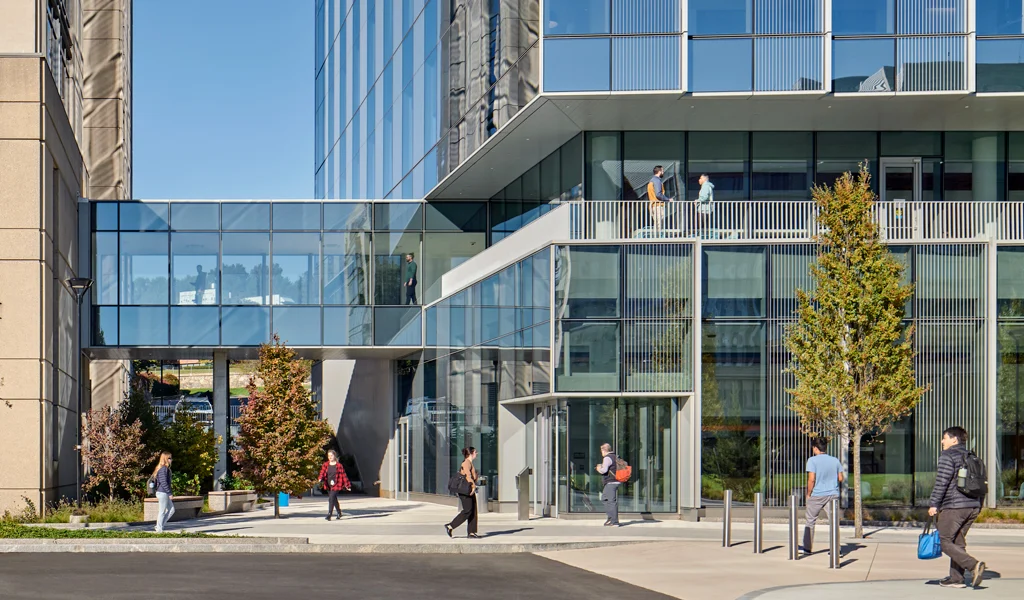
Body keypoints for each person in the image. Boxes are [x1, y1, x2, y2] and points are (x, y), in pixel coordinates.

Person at [928, 426, 986, 588]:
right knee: (957, 542)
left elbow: (942, 482)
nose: (942, 441)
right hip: (972, 506)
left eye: (944, 437)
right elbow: (982, 482)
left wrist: (934, 503)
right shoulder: (972, 457)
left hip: (955, 506)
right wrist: (978, 505)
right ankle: (956, 579)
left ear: (954, 440)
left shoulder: (948, 456)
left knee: (944, 540)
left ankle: (973, 565)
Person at [801, 437, 844, 554]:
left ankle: (807, 548)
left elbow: (811, 480)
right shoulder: (835, 460)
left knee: (810, 521)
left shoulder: (812, 460)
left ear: (815, 448)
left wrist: (808, 494)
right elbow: (840, 478)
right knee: (833, 522)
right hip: (833, 495)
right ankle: (836, 549)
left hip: (817, 495)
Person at [445, 447, 480, 538]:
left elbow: (472, 476)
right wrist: (473, 486)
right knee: (468, 510)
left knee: (473, 510)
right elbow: (468, 476)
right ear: (471, 453)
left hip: (468, 489)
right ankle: (450, 526)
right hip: (466, 490)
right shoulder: (466, 463)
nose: (477, 453)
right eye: (475, 452)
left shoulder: (470, 463)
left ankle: (471, 532)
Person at [318, 449, 352, 521]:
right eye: (328, 456)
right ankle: (339, 512)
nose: (330, 457)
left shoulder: (339, 466)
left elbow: (343, 475)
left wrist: (347, 485)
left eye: (331, 455)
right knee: (334, 499)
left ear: (334, 456)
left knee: (331, 498)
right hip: (328, 484)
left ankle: (329, 514)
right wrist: (320, 478)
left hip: (337, 484)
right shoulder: (325, 465)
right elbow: (322, 472)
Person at [595, 443, 620, 527]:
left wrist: (599, 468)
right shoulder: (615, 456)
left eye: (601, 451)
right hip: (615, 481)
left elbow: (604, 470)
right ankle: (610, 518)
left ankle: (614, 521)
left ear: (604, 450)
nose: (601, 453)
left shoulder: (607, 458)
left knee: (611, 501)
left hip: (611, 482)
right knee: (604, 499)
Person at [152, 451, 174, 533]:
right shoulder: (163, 469)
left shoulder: (164, 468)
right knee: (162, 511)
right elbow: (163, 482)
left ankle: (159, 526)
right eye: (169, 458)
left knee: (172, 510)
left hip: (163, 492)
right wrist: (169, 493)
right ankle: (159, 529)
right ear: (165, 459)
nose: (171, 460)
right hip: (162, 492)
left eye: (171, 458)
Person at [647, 165, 672, 237]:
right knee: (659, 224)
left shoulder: (651, 181)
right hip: (658, 205)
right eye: (663, 171)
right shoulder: (657, 181)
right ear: (659, 171)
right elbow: (658, 194)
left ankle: (656, 239)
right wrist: (668, 199)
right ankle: (657, 240)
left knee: (657, 224)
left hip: (653, 205)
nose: (663, 172)